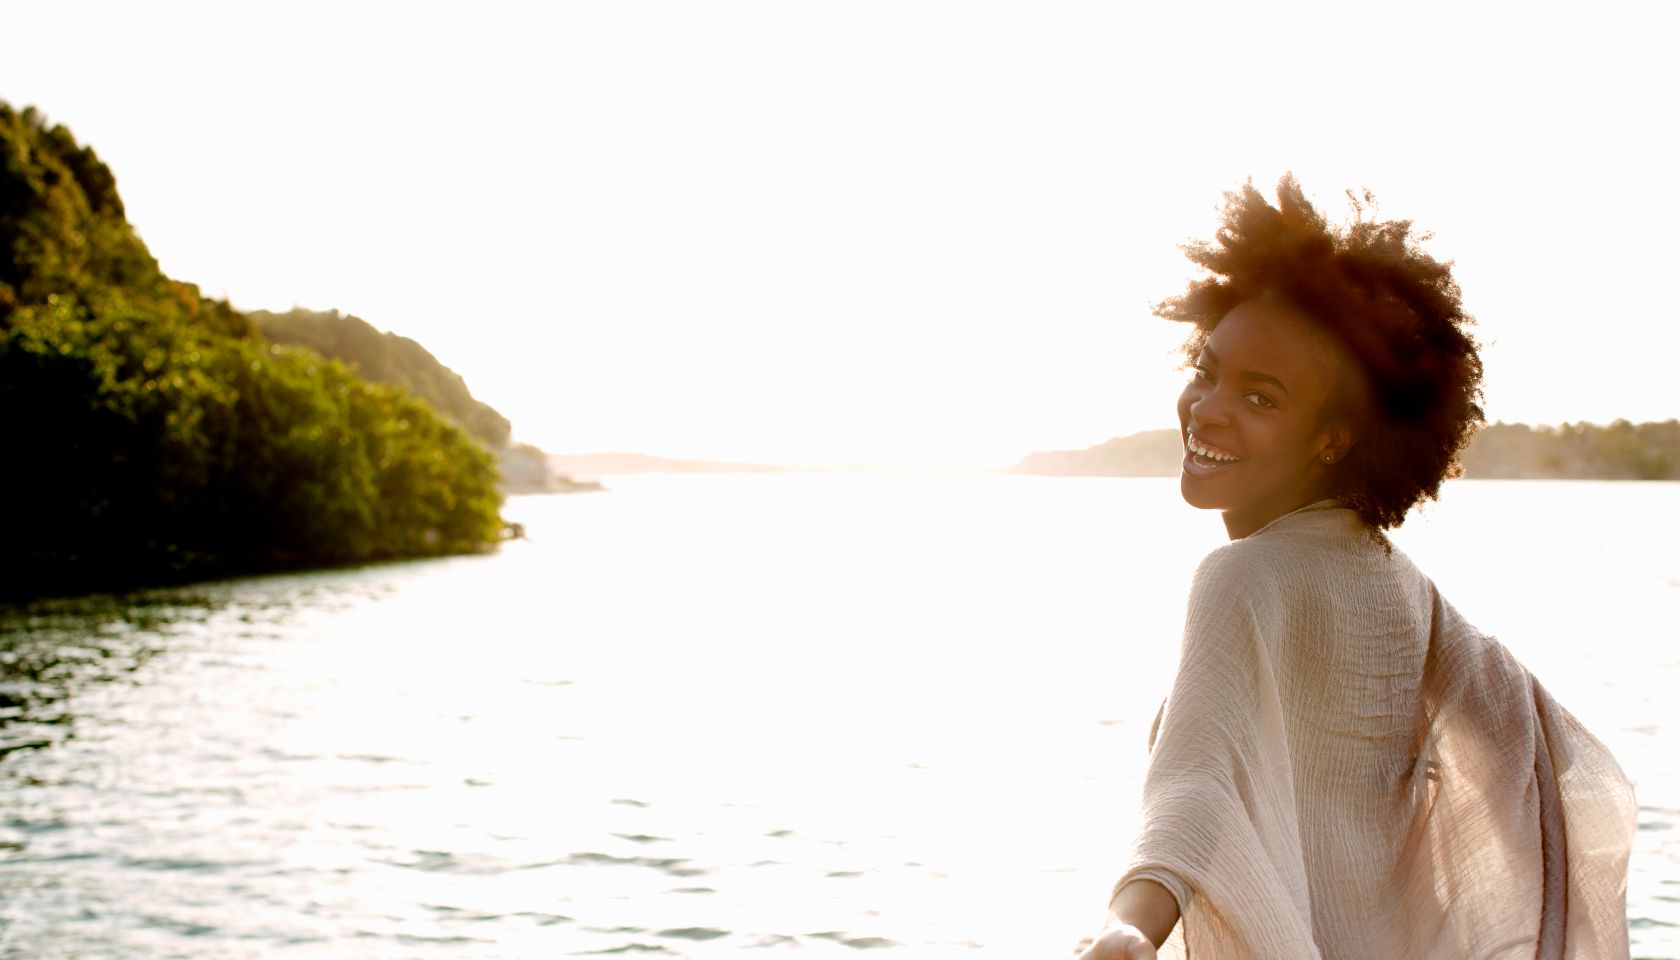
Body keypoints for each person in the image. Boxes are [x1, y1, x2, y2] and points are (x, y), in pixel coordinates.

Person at [1078, 177, 1636, 959]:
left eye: (1262, 398)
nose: (1207, 408)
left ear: (1334, 439)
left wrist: (1127, 927)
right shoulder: (1409, 592)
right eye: (1207, 371)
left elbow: (1194, 791)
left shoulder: (1242, 577)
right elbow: (1562, 778)